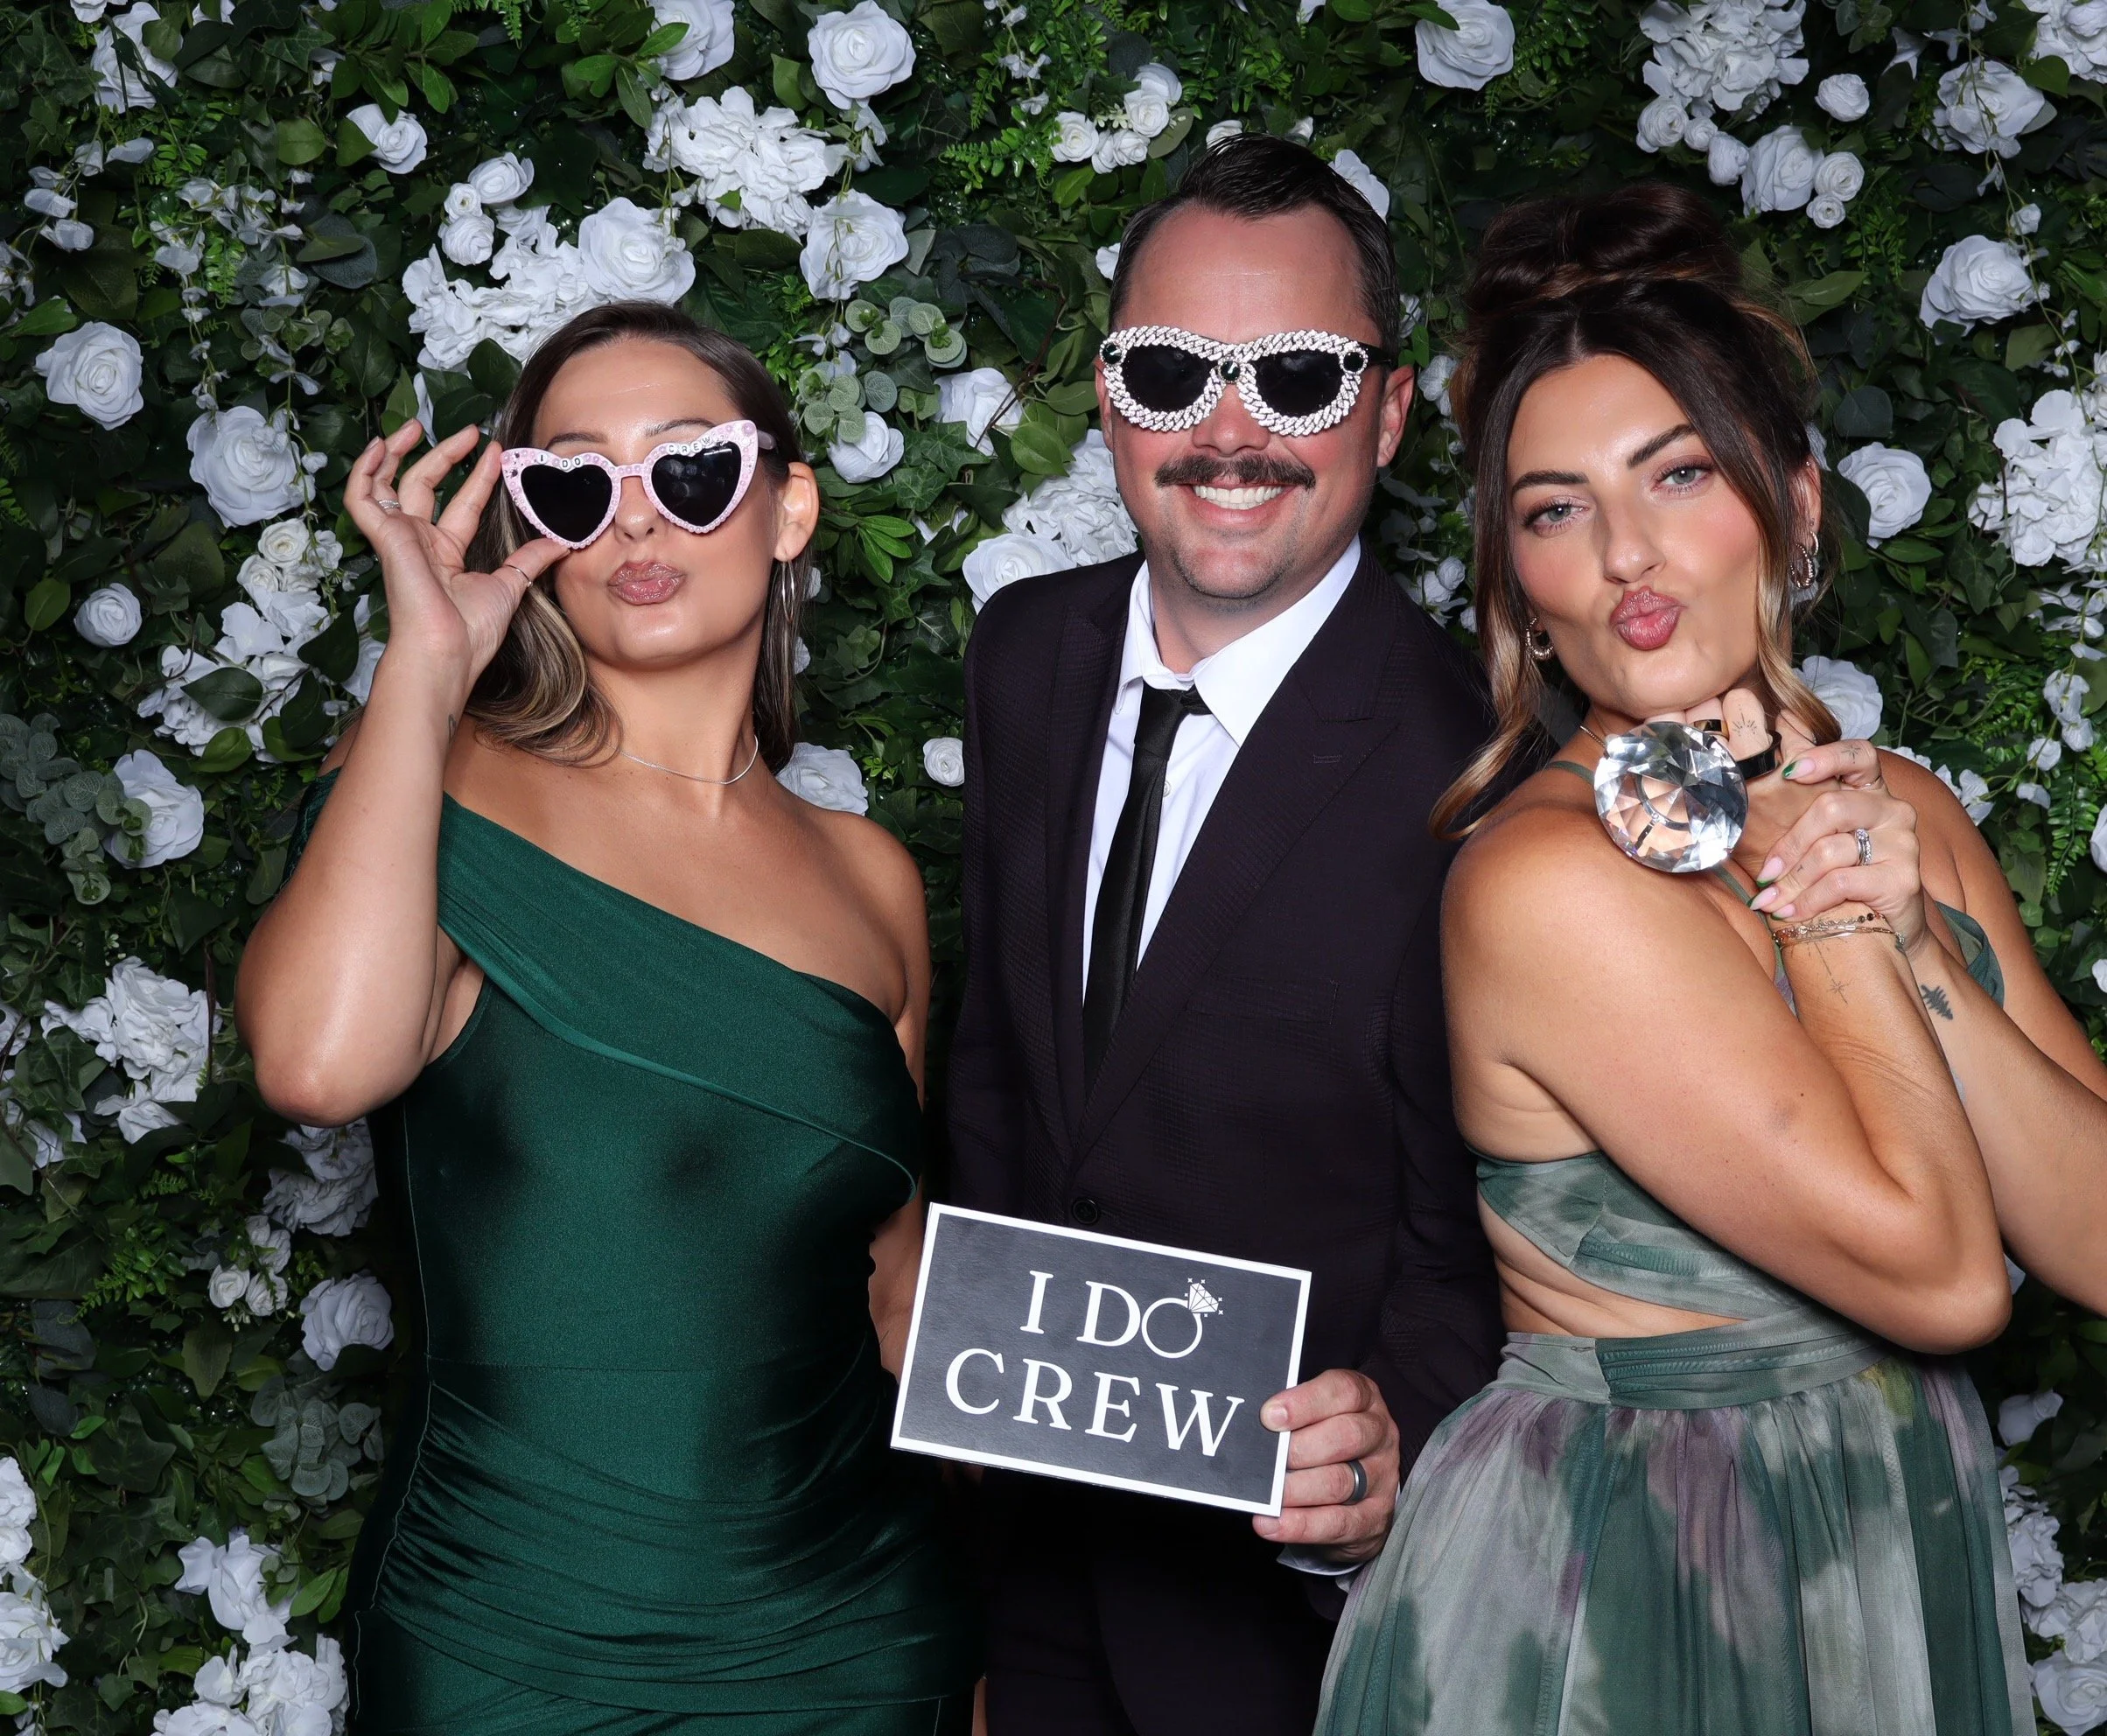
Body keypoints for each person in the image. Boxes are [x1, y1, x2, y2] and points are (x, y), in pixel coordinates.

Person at [1317, 184, 2107, 1735]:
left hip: (1887, 1540)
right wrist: (1839, 927)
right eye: (1554, 508)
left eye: (1677, 473)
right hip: (1625, 1591)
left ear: (1797, 510)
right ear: (1520, 597)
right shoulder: (1543, 882)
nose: (1625, 551)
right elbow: (1945, 1280)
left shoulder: (1894, 818)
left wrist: (1913, 943)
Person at [236, 301, 980, 1734]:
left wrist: (1209, 1405)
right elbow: (319, 1064)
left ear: (788, 508)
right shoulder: (441, 786)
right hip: (514, 1631)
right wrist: (424, 670)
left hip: (857, 1633)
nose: (638, 522)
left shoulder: (868, 879)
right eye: (575, 485)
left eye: (690, 470)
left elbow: (897, 1293)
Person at [948, 134, 1506, 1736]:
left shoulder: (1471, 763)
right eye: (1176, 370)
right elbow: (1006, 1074)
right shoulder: (1022, 655)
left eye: (1302, 379)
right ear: (1111, 398)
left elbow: (1480, 1212)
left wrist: (1397, 1438)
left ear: (1392, 414)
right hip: (1030, 1570)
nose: (1231, 433)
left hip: (1294, 1618)